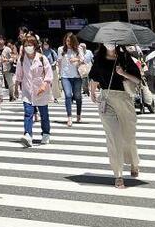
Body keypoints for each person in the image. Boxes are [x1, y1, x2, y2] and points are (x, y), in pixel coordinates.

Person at [89, 43, 142, 189]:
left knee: (128, 136)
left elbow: (138, 80)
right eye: (106, 41)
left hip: (124, 99)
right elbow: (94, 77)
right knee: (113, 137)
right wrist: (93, 92)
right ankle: (118, 175)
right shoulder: (99, 58)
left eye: (112, 41)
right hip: (106, 100)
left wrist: (123, 73)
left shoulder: (124, 58)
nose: (109, 44)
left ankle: (134, 162)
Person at [14, 34, 53, 147]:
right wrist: (16, 88)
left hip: (41, 90)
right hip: (27, 90)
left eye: (30, 45)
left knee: (44, 114)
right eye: (26, 45)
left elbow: (49, 75)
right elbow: (19, 75)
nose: (28, 47)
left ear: (35, 46)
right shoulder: (21, 59)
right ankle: (28, 135)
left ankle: (46, 133)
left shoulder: (42, 58)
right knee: (28, 113)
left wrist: (44, 86)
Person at [58, 33, 84, 126]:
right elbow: (59, 62)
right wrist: (59, 75)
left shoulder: (78, 48)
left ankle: (78, 115)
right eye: (66, 40)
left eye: (70, 41)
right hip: (65, 76)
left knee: (77, 96)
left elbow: (83, 59)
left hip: (77, 76)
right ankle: (69, 117)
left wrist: (76, 59)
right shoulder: (61, 49)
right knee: (68, 95)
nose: (68, 42)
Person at [0, 36, 15, 101]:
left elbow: (12, 58)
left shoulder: (8, 49)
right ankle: (0, 97)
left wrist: (7, 60)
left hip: (7, 68)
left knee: (10, 83)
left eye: (1, 40)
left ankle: (11, 95)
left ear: (4, 41)